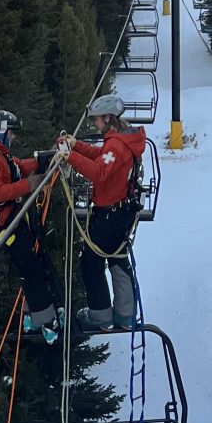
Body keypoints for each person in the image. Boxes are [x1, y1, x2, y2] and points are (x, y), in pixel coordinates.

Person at [0, 109, 64, 343]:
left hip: (9, 218)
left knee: (34, 261)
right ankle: (45, 319)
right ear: (1, 132)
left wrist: (48, 159)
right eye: (11, 133)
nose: (13, 138)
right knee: (30, 267)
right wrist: (28, 185)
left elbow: (19, 166)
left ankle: (34, 314)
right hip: (2, 224)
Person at [64, 92, 146, 332]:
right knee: (117, 258)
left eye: (98, 120)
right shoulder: (122, 140)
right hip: (121, 211)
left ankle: (101, 315)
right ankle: (125, 314)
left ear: (109, 118)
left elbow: (99, 171)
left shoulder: (117, 145)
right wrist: (76, 146)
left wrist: (70, 157)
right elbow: (101, 157)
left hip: (110, 214)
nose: (95, 124)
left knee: (91, 262)